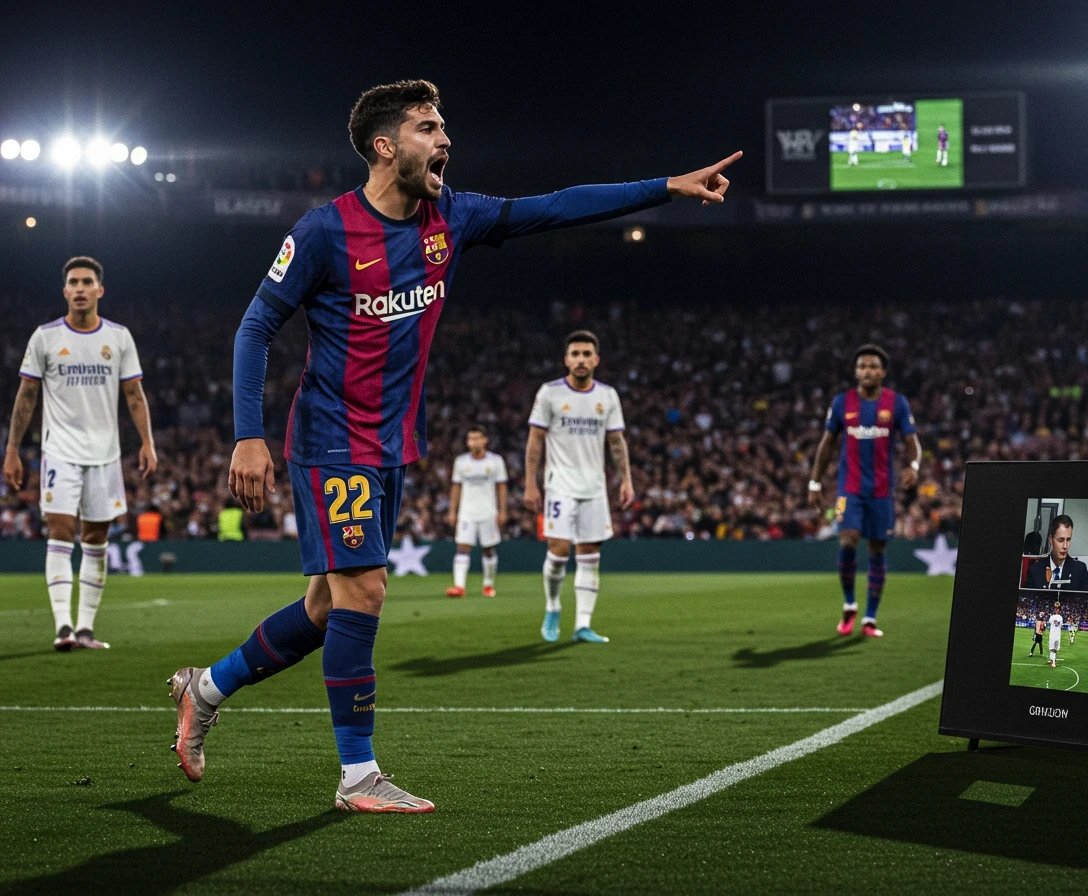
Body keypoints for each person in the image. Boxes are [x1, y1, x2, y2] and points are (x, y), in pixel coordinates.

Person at [166, 79, 740, 813]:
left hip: (392, 443)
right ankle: (357, 775)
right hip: (330, 437)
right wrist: (248, 437)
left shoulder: (453, 217)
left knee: (322, 608)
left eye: (444, 128)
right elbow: (254, 328)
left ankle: (204, 689)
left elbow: (558, 206)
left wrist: (666, 187)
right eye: (428, 128)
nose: (445, 140)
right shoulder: (323, 232)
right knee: (366, 592)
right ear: (385, 146)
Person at [4, 256, 157, 652]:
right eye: (73, 282)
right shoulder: (46, 337)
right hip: (59, 452)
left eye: (87, 282)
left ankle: (86, 629)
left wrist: (148, 442)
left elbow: (134, 395)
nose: (80, 288)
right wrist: (12, 449)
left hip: (105, 455)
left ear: (99, 290)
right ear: (65, 290)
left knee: (95, 539)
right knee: (59, 533)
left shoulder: (119, 338)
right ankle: (63, 627)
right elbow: (26, 397)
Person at [807, 344, 921, 638]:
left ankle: (870, 618)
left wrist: (915, 465)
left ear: (882, 372)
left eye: (872, 366)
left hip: (882, 490)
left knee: (877, 548)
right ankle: (849, 604)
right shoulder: (842, 402)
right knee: (847, 539)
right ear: (856, 372)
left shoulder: (896, 403)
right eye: (861, 366)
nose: (866, 371)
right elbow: (827, 443)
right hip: (850, 489)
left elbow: (912, 441)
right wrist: (815, 482)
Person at [525, 330, 630, 644]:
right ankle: (553, 606)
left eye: (587, 354)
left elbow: (617, 441)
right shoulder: (549, 393)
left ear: (596, 360)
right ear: (566, 359)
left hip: (594, 488)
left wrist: (626, 479)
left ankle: (583, 624)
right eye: (575, 354)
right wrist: (530, 483)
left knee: (589, 556)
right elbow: (534, 441)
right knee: (558, 551)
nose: (581, 360)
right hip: (560, 486)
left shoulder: (607, 396)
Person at [445, 425, 508, 597]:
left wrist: (502, 510)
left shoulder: (495, 461)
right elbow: (456, 487)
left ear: (485, 440)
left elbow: (501, 487)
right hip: (467, 512)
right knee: (462, 547)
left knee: (488, 549)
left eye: (476, 438)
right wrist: (453, 511)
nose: (473, 442)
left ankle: (488, 585)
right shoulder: (461, 462)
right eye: (470, 438)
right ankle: (459, 586)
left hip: (488, 511)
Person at [1023, 514, 1088, 591]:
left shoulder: (1080, 570)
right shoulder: (1035, 570)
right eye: (1061, 540)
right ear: (1050, 539)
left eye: (1068, 540)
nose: (1065, 546)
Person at [1047, 602, 1064, 668]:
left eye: (1058, 609)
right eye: (1056, 609)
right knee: (1051, 648)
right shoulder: (1052, 617)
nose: (1056, 610)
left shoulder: (1060, 617)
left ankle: (1052, 659)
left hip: (1057, 634)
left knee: (1055, 649)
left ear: (1059, 610)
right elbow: (1052, 623)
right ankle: (1052, 661)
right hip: (1052, 634)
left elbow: (1059, 625)